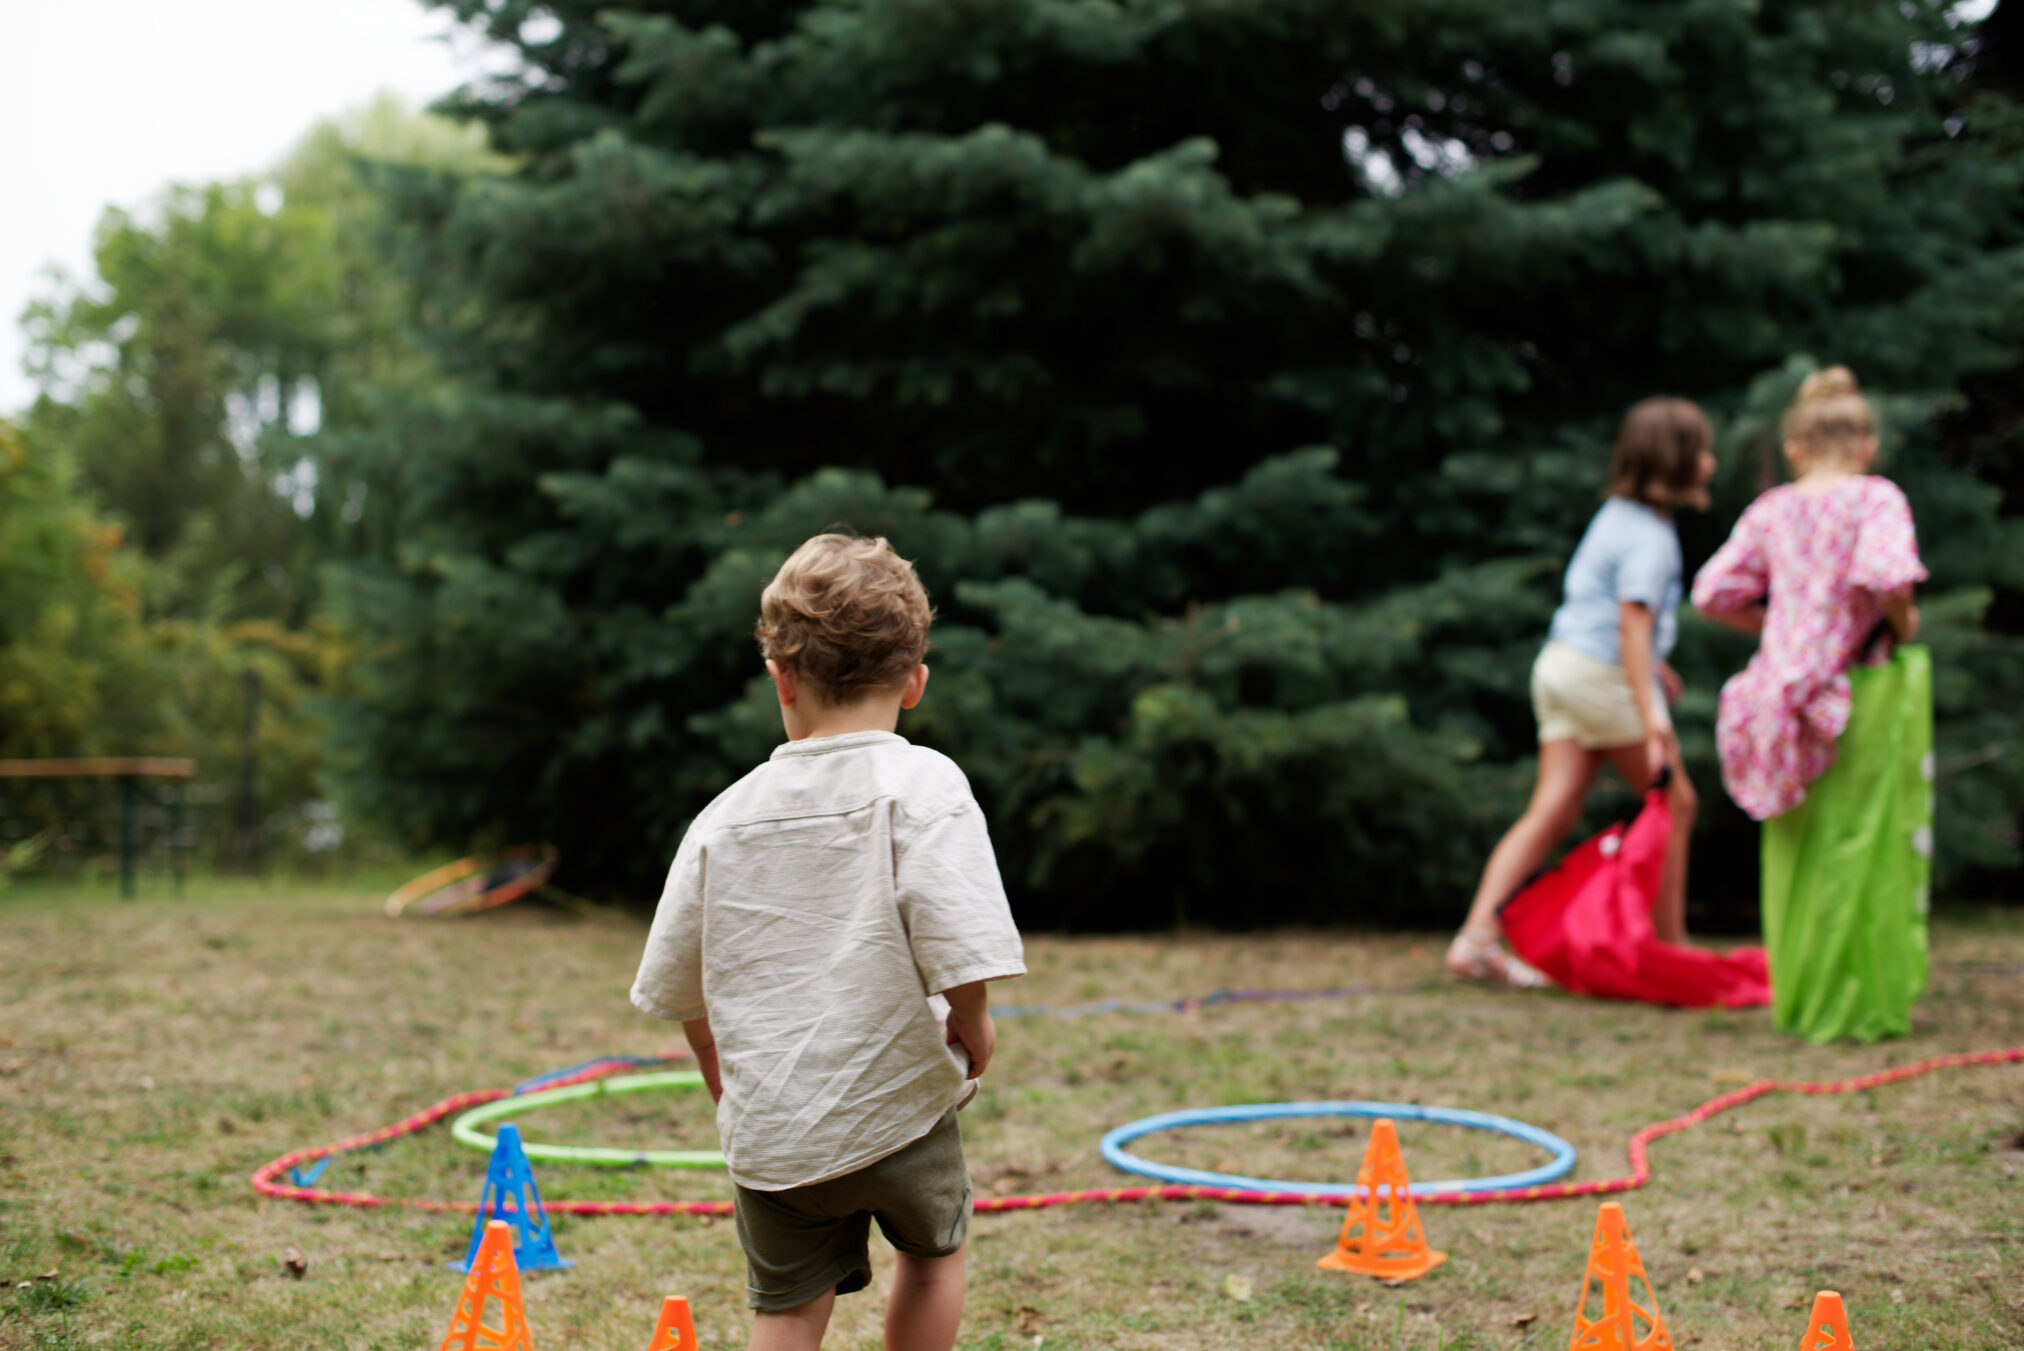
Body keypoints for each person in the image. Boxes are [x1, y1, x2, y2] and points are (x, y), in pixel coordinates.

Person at [631, 533, 1026, 1351]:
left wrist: (723, 1080)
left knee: (786, 1308)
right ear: (915, 682)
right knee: (932, 1257)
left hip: (775, 1136)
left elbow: (685, 988)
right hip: (902, 1109)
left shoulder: (720, 820)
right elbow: (961, 933)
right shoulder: (924, 784)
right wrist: (974, 1024)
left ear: (781, 678)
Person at [1691, 366, 1929, 1041]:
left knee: (1797, 847)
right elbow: (1888, 577)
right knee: (1857, 841)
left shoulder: (1772, 509)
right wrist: (1903, 625)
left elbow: (1713, 592)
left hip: (1771, 695)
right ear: (1866, 443)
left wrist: (1773, 627)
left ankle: (1801, 994)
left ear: (1795, 447)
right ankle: (1852, 1003)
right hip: (1849, 692)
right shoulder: (1874, 497)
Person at [1446, 398, 1715, 985]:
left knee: (1555, 806)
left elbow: (1613, 614)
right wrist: (1653, 716)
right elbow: (1631, 624)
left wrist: (1656, 669)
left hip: (1561, 666)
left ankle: (1477, 940)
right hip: (1601, 673)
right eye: (1702, 451)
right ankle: (1674, 952)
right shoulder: (1650, 536)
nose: (1711, 463)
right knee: (1676, 803)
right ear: (1675, 459)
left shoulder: (1616, 515)